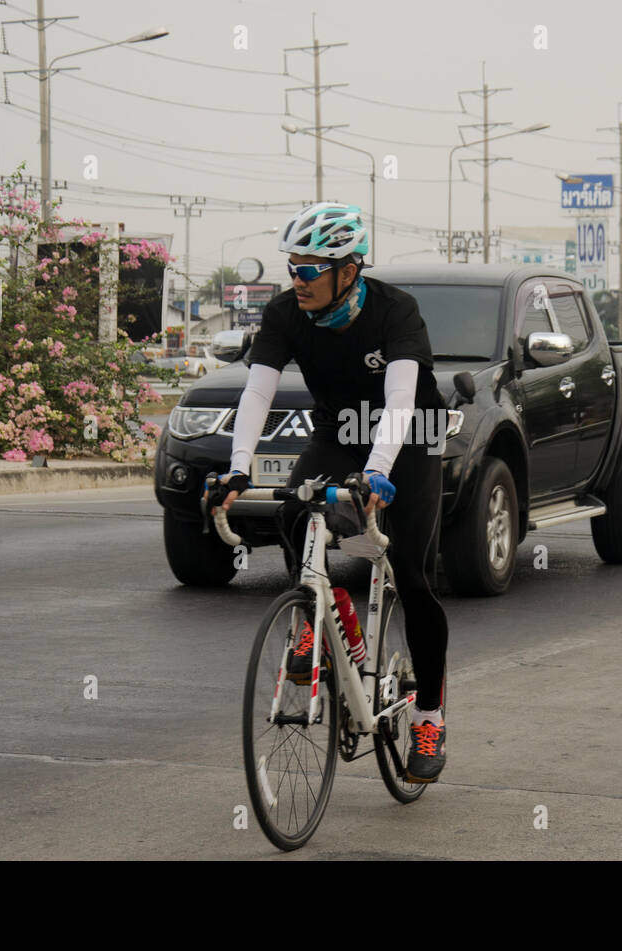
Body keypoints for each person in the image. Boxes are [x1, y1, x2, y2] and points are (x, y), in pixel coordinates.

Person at [205, 201, 450, 783]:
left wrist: (379, 470)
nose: (297, 280)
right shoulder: (286, 313)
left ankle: (430, 717)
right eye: (292, 267)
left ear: (348, 270)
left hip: (409, 439)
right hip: (339, 434)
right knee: (294, 507)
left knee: (412, 579)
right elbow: (258, 393)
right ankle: (324, 608)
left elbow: (400, 402)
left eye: (309, 270)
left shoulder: (395, 311)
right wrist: (240, 467)